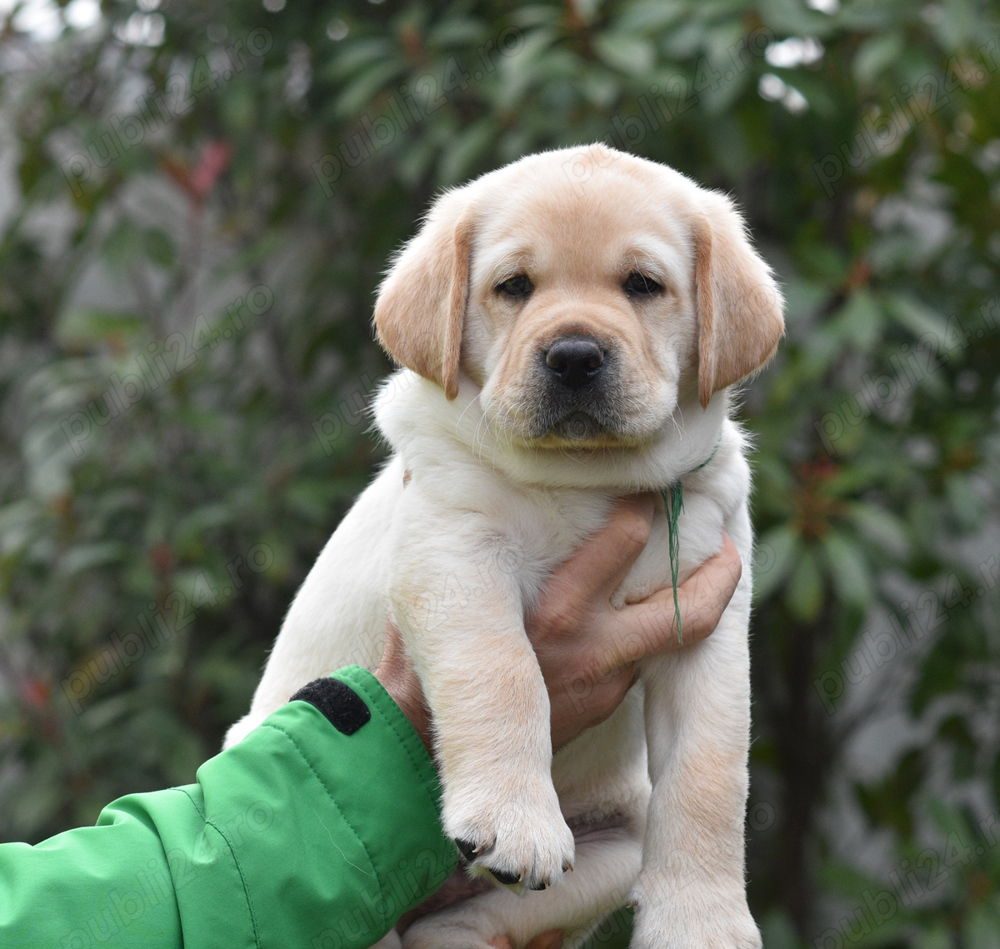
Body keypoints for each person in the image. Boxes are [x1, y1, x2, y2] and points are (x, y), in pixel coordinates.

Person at [0, 496, 742, 949]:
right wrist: (429, 735)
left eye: (641, 285)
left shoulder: (710, 470)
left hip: (549, 847)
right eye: (517, 286)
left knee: (631, 839)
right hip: (306, 840)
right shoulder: (456, 451)